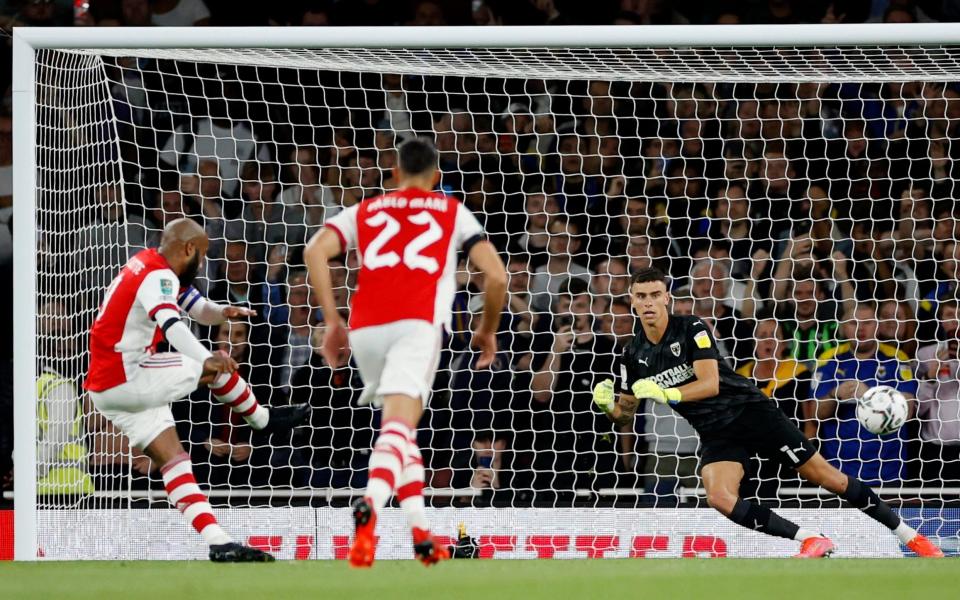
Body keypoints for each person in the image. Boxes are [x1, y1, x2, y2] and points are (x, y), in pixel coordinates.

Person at [592, 267, 942, 558]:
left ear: (667, 297)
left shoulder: (692, 328)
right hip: (716, 432)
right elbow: (625, 414)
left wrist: (666, 392)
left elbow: (710, 383)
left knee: (829, 479)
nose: (649, 302)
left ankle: (911, 536)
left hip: (750, 412)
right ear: (633, 302)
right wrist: (609, 404)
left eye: (655, 294)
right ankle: (809, 538)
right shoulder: (632, 354)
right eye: (641, 296)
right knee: (719, 496)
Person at [304, 137, 507, 568]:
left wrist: (333, 320)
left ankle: (421, 532)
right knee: (397, 425)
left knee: (402, 429)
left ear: (393, 174)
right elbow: (497, 277)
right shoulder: (451, 210)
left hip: (365, 328)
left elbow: (314, 250)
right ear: (436, 177)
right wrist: (487, 331)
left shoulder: (367, 209)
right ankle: (371, 507)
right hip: (416, 325)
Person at [83, 218, 310, 562]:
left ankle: (218, 542)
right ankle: (263, 420)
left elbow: (197, 309)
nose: (202, 264)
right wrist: (205, 360)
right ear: (189, 249)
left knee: (174, 459)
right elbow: (172, 325)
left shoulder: (149, 264)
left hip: (108, 389)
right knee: (218, 363)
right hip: (128, 376)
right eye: (202, 256)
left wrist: (223, 312)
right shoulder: (158, 276)